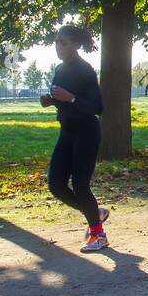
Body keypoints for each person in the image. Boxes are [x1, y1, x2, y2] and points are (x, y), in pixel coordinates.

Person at [41, 24, 109, 252]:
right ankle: (95, 214)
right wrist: (51, 100)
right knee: (56, 185)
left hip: (87, 133)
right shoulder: (60, 70)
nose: (58, 47)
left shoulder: (85, 70)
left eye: (63, 43)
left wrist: (69, 98)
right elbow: (61, 97)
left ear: (76, 45)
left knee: (80, 186)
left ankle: (98, 235)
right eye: (56, 42)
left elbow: (97, 107)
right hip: (67, 131)